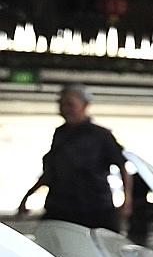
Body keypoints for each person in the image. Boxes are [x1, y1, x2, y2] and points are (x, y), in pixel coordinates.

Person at [17, 85, 132, 231]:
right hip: (60, 206)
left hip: (95, 207)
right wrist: (28, 196)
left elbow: (122, 166)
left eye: (70, 104)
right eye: (61, 104)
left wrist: (127, 200)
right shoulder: (60, 134)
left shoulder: (101, 135)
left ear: (85, 105)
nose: (65, 109)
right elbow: (51, 173)